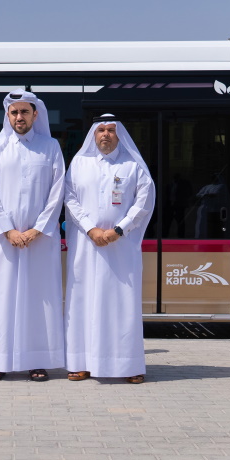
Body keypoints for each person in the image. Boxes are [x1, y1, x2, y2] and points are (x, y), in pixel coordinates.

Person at [0, 89, 65, 382]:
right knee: (3, 298)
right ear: (8, 115)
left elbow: (57, 191)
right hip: (6, 240)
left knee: (40, 299)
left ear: (35, 115)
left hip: (40, 240)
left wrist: (37, 229)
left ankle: (37, 361)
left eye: (24, 112)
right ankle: (0, 361)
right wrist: (8, 229)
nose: (19, 117)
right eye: (14, 112)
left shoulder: (50, 147)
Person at [63, 114, 155, 384]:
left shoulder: (133, 165)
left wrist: (119, 230)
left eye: (111, 130)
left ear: (119, 134)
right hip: (86, 246)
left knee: (122, 304)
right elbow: (69, 199)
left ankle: (128, 365)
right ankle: (81, 363)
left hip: (121, 248)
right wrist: (91, 229)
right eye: (101, 130)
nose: (105, 134)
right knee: (84, 301)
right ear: (93, 134)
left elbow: (144, 202)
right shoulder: (79, 163)